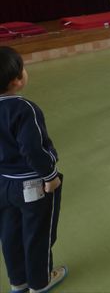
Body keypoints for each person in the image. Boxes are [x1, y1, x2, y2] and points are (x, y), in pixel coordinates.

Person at [0, 46, 67, 292]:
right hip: (31, 183)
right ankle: (40, 282)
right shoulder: (24, 108)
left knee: (9, 232)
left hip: (3, 183)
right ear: (17, 80)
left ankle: (18, 281)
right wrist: (50, 176)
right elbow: (33, 149)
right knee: (37, 232)